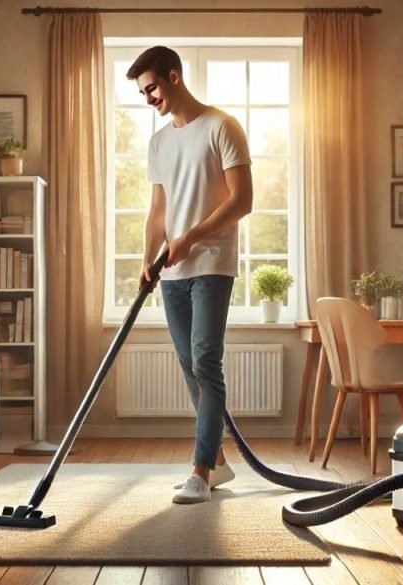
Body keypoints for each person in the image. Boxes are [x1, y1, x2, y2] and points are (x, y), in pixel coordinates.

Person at [127, 46, 253, 504]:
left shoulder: (222, 127)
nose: (148, 99)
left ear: (174, 77)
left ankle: (200, 469)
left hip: (212, 264)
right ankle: (218, 463)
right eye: (143, 92)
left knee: (205, 361)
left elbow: (242, 201)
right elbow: (158, 209)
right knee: (189, 366)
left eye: (152, 88)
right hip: (173, 271)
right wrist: (148, 256)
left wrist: (192, 238)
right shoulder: (159, 142)